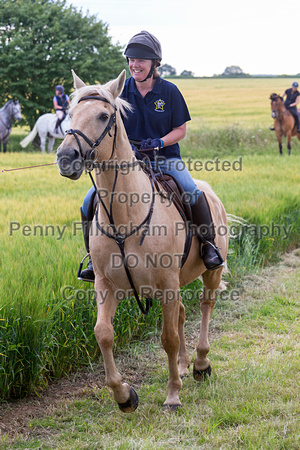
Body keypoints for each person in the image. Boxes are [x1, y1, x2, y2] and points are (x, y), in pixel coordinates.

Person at [78, 30, 224, 282]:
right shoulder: (120, 93)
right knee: (89, 198)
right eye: (131, 59)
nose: (135, 65)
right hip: (129, 162)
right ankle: (93, 256)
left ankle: (208, 245)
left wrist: (159, 142)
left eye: (141, 60)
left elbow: (181, 130)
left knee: (191, 191)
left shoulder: (169, 91)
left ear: (154, 64)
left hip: (165, 158)